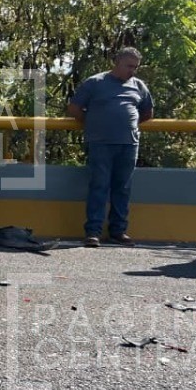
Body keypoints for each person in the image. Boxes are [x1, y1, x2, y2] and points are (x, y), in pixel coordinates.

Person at [66, 47, 153, 247]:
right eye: (129, 66)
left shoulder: (139, 86)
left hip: (129, 143)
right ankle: (93, 232)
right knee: (99, 186)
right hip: (100, 143)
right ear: (117, 63)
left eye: (135, 67)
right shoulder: (95, 82)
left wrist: (128, 124)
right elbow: (75, 108)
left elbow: (147, 112)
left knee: (122, 188)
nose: (132, 70)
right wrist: (95, 122)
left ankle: (118, 230)